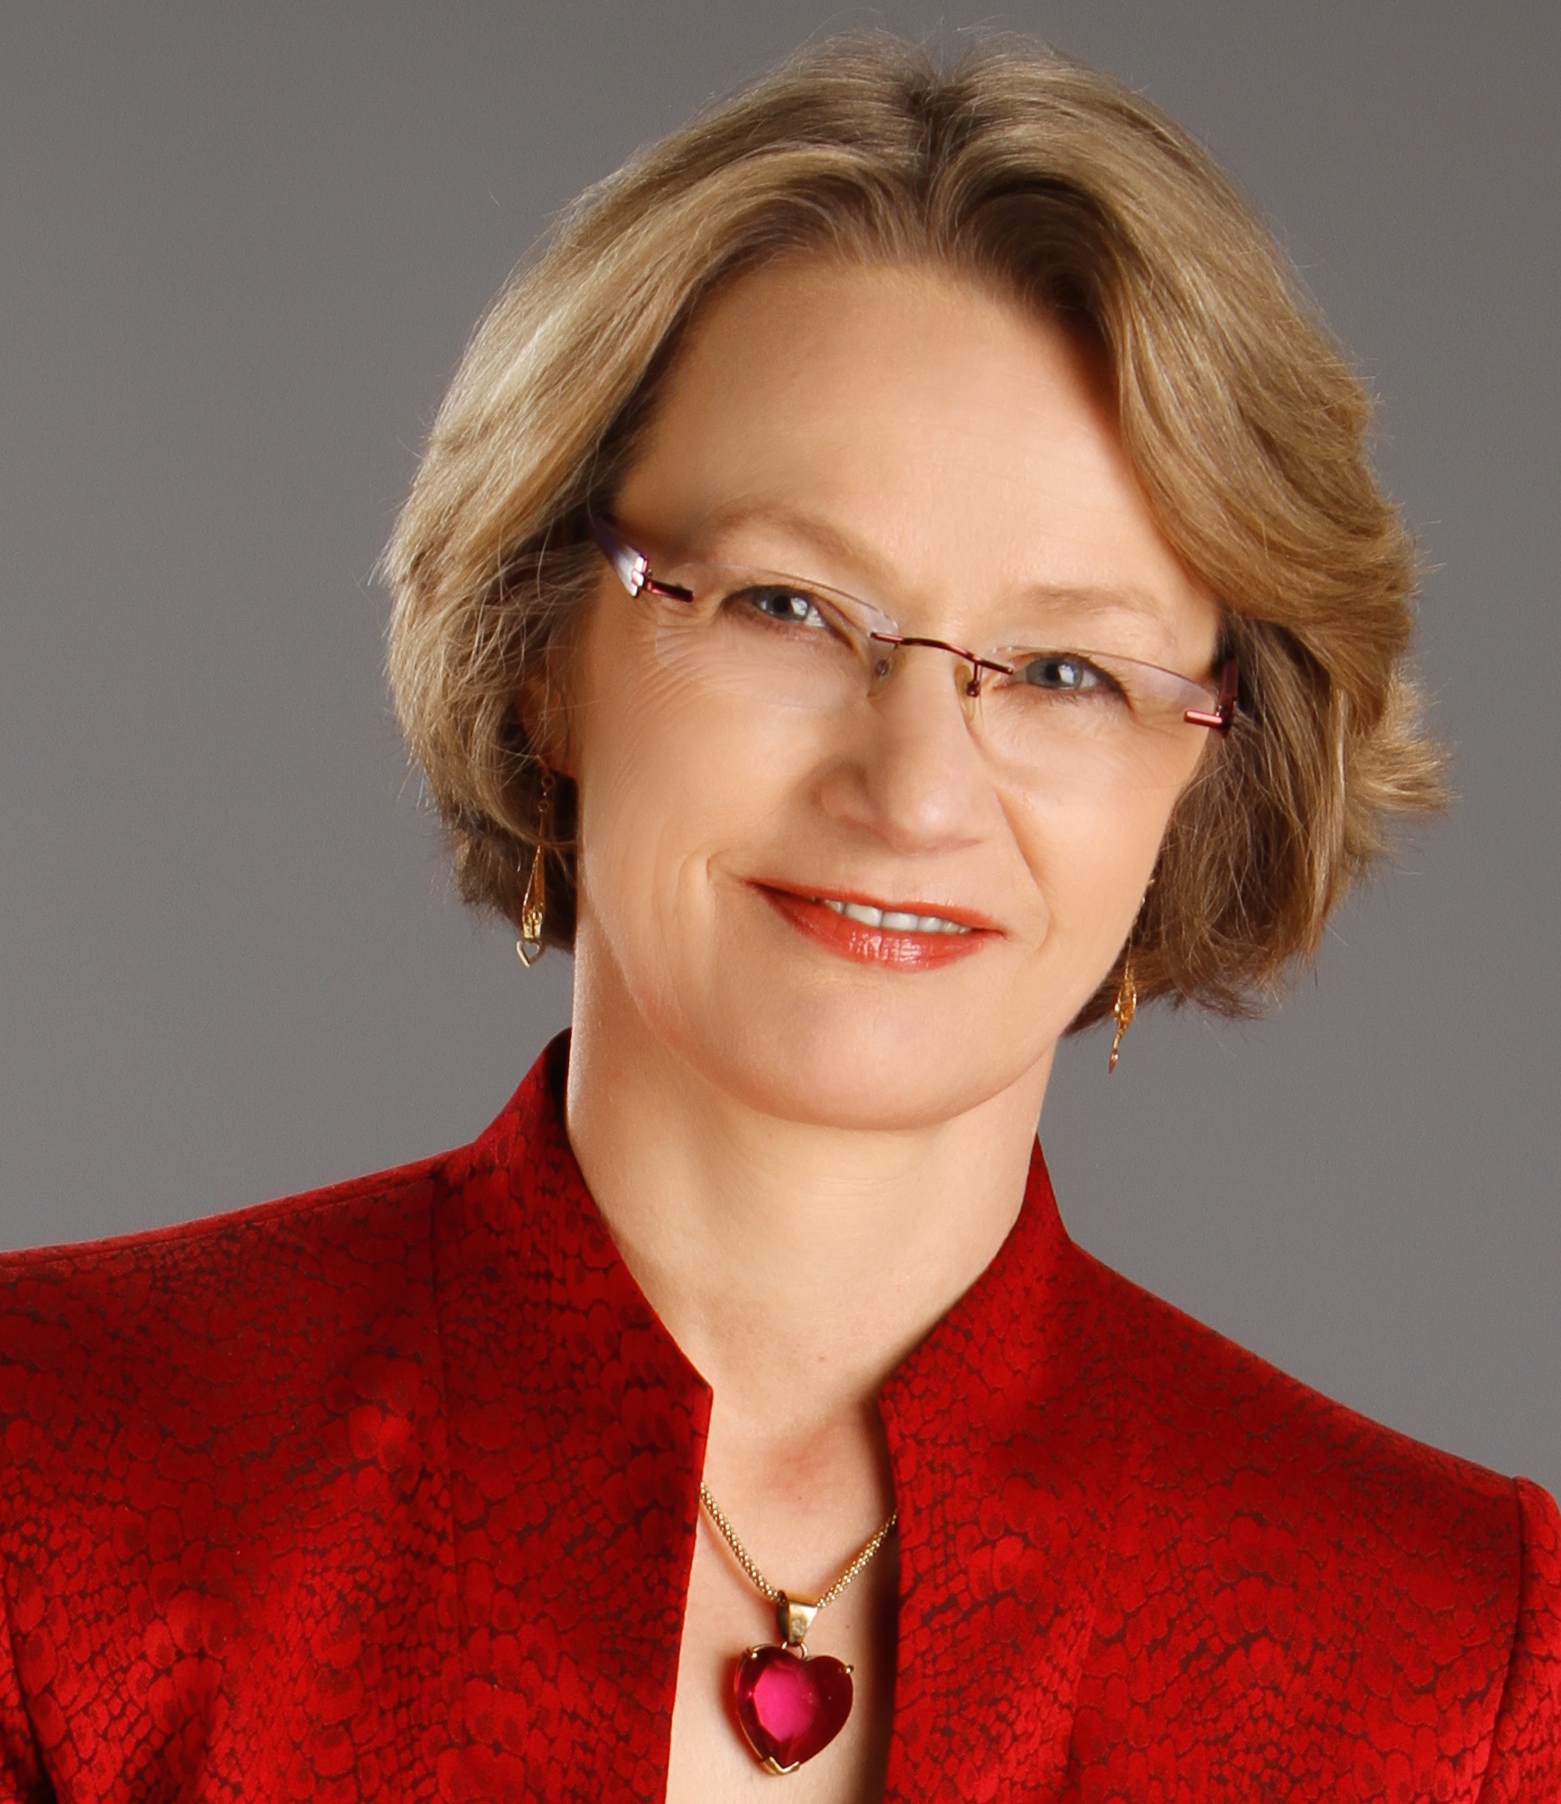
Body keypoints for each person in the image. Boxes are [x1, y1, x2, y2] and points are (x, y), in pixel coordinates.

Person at [0, 34, 1556, 1804]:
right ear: (544, 652)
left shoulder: (1447, 1668)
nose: (914, 789)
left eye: (1065, 669)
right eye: (788, 607)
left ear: (1205, 774)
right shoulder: (43, 1477)